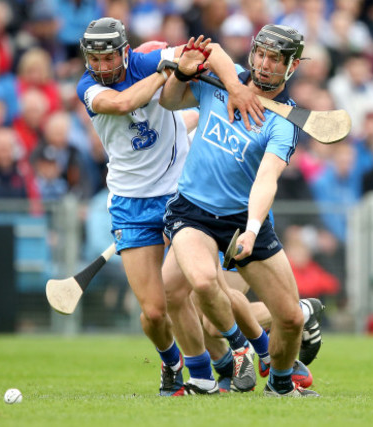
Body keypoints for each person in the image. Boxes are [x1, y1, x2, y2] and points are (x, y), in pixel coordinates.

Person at [75, 17, 264, 396]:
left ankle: (239, 356)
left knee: (197, 286)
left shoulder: (145, 63)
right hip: (130, 204)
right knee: (154, 311)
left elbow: (212, 52)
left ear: (125, 53)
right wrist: (170, 69)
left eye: (107, 57)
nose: (100, 66)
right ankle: (172, 363)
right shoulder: (90, 87)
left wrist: (234, 89)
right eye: (93, 59)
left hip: (181, 198)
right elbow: (126, 102)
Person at [159, 24, 320, 397]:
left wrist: (250, 229)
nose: (264, 65)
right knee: (200, 284)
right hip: (193, 212)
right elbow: (172, 97)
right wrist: (227, 85)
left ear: (291, 66)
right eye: (261, 54)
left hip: (241, 222)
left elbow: (267, 180)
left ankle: (280, 384)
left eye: (275, 59)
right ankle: (238, 352)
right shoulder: (220, 80)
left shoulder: (283, 121)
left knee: (291, 318)